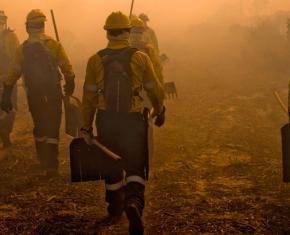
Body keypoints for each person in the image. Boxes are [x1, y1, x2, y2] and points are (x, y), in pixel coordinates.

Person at [81, 11, 165, 235]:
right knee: (136, 164)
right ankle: (133, 202)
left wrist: (86, 127)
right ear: (128, 32)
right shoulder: (141, 57)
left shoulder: (95, 59)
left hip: (106, 119)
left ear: (108, 33)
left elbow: (88, 98)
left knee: (111, 163)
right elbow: (154, 88)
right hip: (133, 120)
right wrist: (160, 108)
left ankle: (115, 206)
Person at [0, 9, 75, 177]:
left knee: (40, 125)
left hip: (33, 94)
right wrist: (70, 85)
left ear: (28, 27)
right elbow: (67, 69)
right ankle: (52, 166)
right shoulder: (54, 45)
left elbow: (13, 74)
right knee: (52, 127)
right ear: (43, 24)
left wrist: (6, 95)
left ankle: (42, 161)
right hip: (53, 92)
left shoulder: (23, 49)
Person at [0, 10, 19, 148]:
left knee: (9, 107)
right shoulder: (11, 37)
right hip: (9, 80)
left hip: (9, 79)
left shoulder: (11, 37)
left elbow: (18, 58)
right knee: (10, 107)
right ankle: (5, 133)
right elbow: (19, 58)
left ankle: (4, 133)